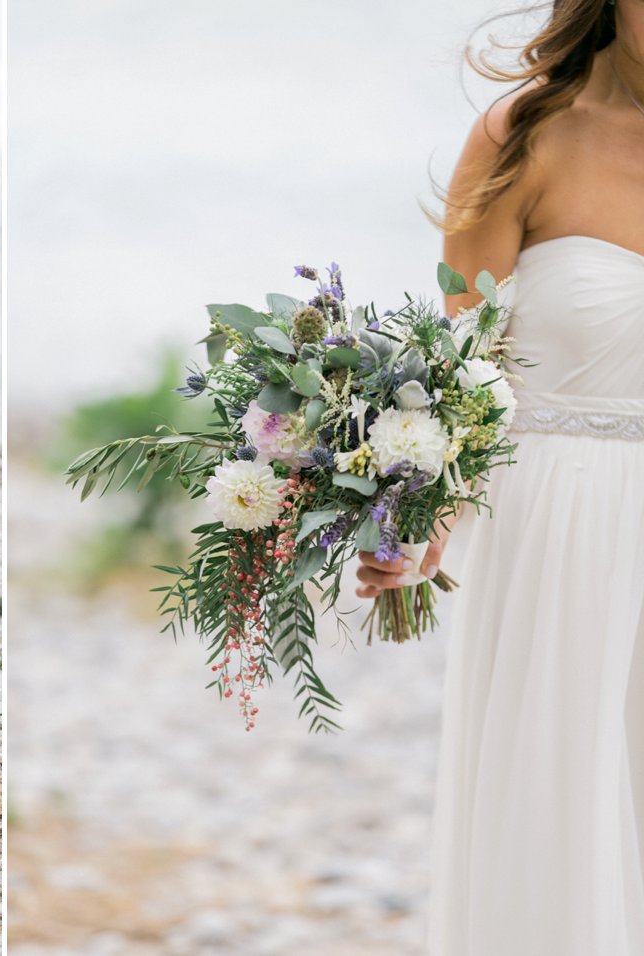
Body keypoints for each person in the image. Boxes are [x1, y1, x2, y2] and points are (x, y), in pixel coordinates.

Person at [356, 2, 644, 951]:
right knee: (556, 813)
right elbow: (462, 373)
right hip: (557, 536)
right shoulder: (522, 138)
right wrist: (414, 520)